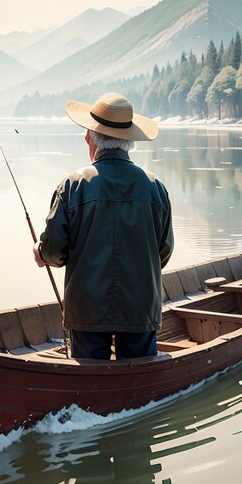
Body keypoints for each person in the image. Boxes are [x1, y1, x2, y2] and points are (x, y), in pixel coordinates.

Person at [33, 93, 174, 360]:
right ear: (129, 141)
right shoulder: (156, 188)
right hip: (140, 309)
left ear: (90, 137)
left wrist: (40, 251)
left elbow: (54, 252)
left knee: (88, 377)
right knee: (139, 378)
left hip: (86, 311)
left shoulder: (72, 186)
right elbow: (163, 252)